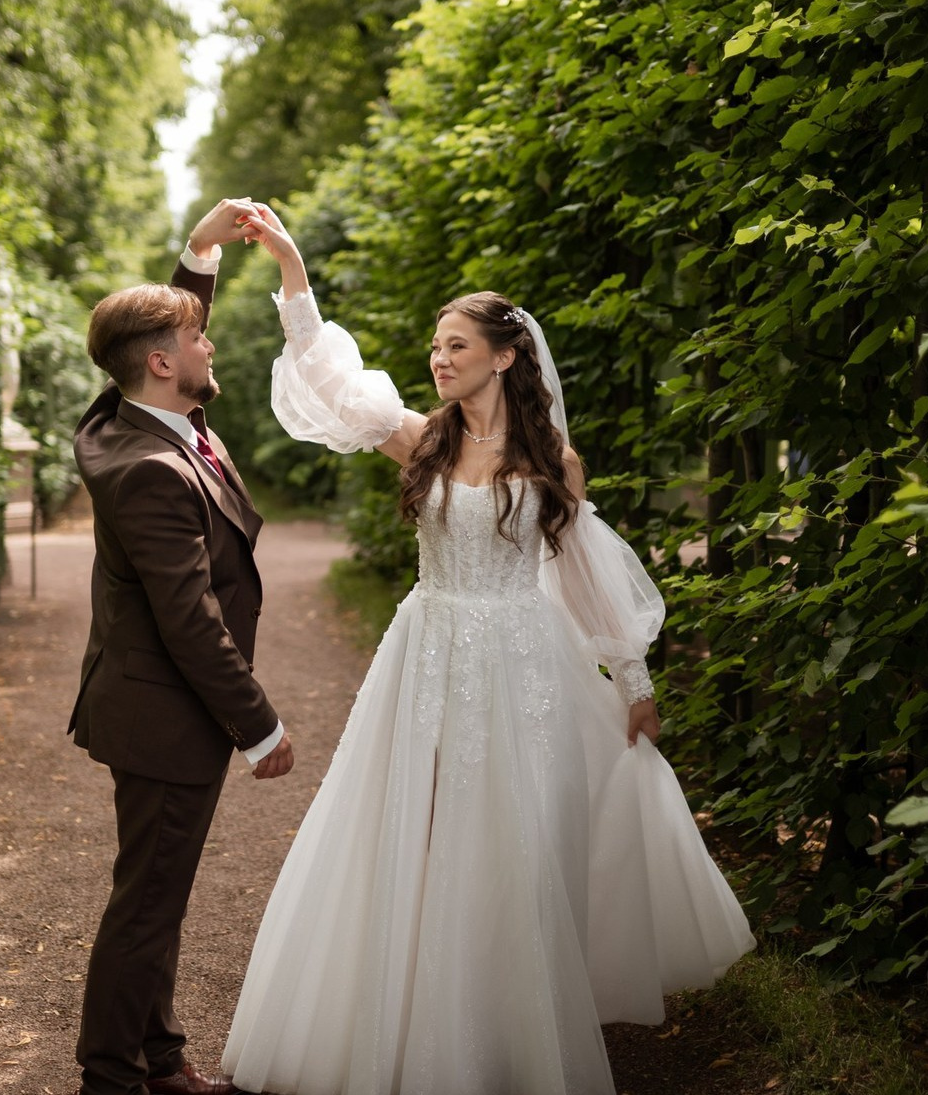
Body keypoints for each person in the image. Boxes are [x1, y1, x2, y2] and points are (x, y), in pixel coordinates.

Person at [221, 205, 755, 1095]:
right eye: (436, 346)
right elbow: (323, 374)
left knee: (516, 835)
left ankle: (511, 1030)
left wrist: (633, 680)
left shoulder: (554, 464)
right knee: (416, 830)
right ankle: (409, 1025)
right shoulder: (419, 438)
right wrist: (291, 267)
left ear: (506, 356)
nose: (440, 359)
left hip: (522, 661)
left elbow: (585, 575)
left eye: (457, 347)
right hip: (424, 651)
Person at [69, 198, 294, 1095]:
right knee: (148, 903)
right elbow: (189, 617)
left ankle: (159, 1059)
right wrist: (260, 725)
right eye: (196, 340)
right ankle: (112, 1076)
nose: (211, 347)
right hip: (166, 716)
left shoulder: (128, 417)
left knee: (156, 893)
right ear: (163, 365)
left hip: (151, 707)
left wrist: (200, 252)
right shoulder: (152, 472)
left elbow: (157, 332)